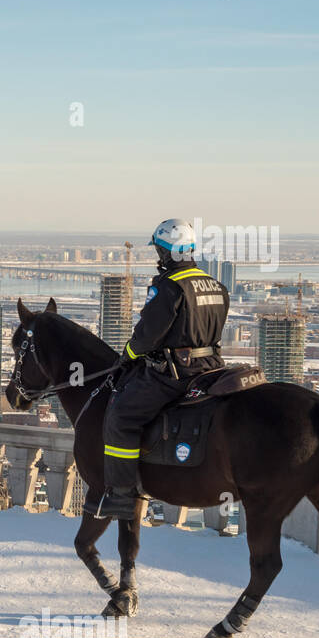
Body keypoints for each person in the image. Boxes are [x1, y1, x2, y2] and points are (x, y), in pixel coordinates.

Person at [96, 219, 230, 519]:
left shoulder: (170, 287)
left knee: (121, 417)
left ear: (168, 251)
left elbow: (148, 335)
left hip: (176, 374)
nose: (158, 257)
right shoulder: (217, 286)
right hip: (213, 369)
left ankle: (120, 495)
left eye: (159, 250)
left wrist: (128, 354)